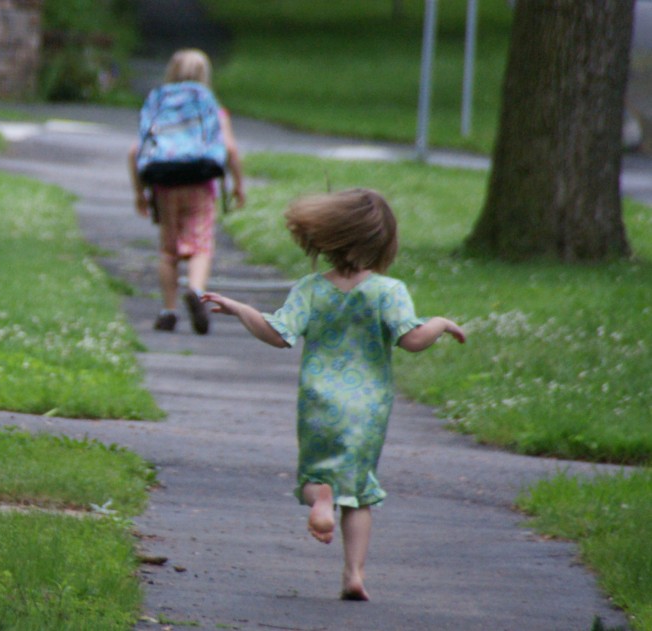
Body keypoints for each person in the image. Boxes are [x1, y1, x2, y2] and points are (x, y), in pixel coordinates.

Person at [199, 189, 466, 601]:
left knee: (315, 476)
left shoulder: (310, 289)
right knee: (359, 491)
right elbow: (412, 340)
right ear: (383, 243)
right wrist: (441, 323)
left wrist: (239, 308)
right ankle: (354, 574)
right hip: (368, 406)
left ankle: (321, 497)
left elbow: (278, 334)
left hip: (319, 401)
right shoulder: (388, 291)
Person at [128, 48, 245, 335]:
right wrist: (238, 185)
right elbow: (229, 149)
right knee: (201, 246)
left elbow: (135, 152)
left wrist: (139, 192)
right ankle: (195, 290)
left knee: (169, 251)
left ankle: (168, 312)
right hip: (199, 184)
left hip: (164, 184)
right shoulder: (214, 110)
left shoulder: (160, 107)